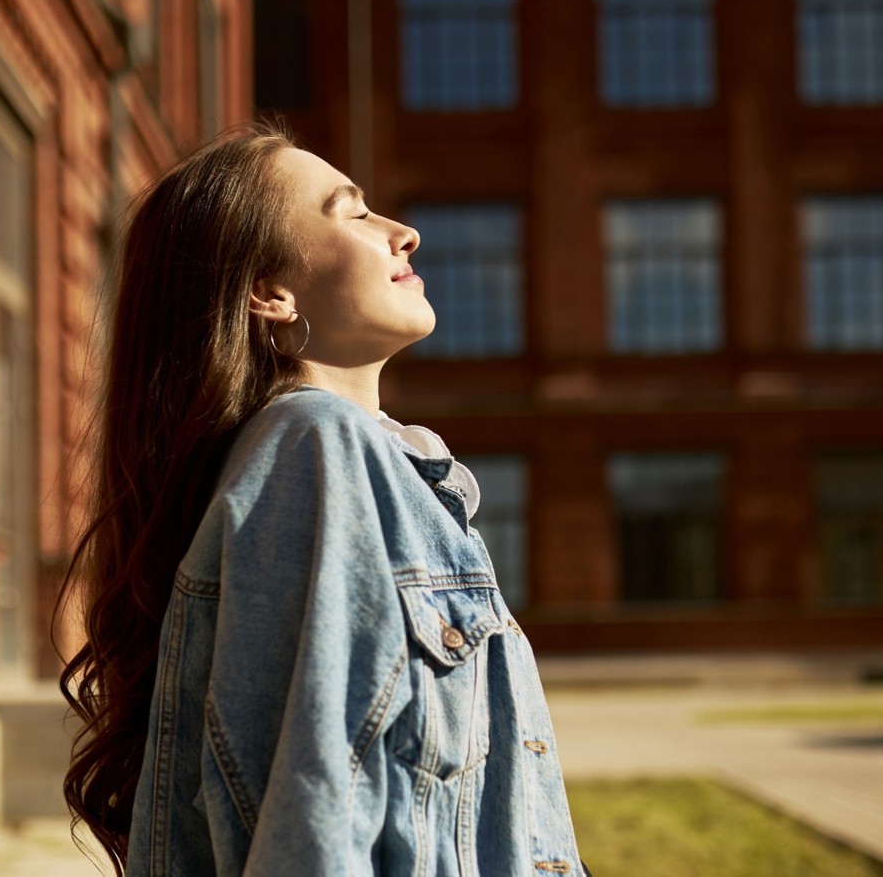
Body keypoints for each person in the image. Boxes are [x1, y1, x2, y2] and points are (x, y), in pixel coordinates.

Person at [59, 124, 589, 876]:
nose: (404, 233)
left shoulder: (372, 467)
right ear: (267, 293)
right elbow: (317, 828)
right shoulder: (316, 450)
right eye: (352, 212)